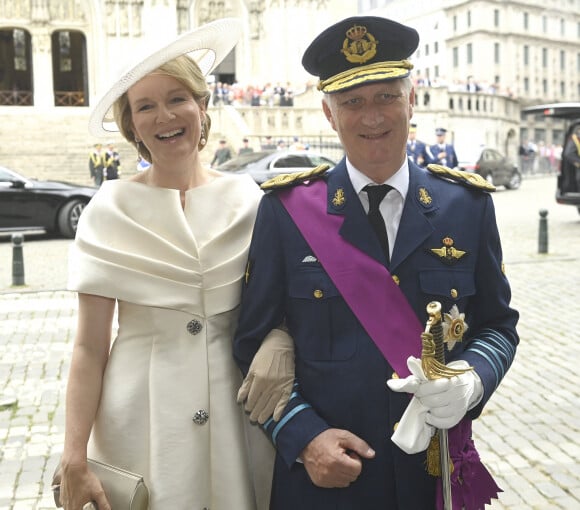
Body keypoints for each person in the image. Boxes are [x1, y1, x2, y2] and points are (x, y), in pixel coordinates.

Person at [233, 15, 519, 510]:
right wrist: (302, 437)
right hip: (325, 479)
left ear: (412, 100)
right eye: (352, 102)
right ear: (328, 113)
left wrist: (471, 379)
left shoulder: (466, 207)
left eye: (387, 96)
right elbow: (250, 342)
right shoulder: (286, 212)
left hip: (432, 472)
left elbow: (497, 325)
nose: (372, 117)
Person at [55, 18, 294, 510]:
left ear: (202, 107)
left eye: (177, 98)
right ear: (132, 126)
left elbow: (283, 303)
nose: (165, 116)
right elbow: (88, 347)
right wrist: (74, 454)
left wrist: (282, 336)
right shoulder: (109, 209)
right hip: (140, 419)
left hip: (237, 416)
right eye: (146, 106)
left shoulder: (249, 199)